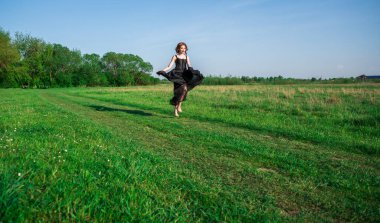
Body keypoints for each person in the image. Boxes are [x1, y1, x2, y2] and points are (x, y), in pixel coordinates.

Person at [157, 42, 201, 117]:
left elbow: (189, 65)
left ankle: (179, 106)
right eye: (181, 48)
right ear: (178, 49)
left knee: (185, 89)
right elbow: (169, 66)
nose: (183, 49)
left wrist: (193, 71)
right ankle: (175, 110)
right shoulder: (175, 56)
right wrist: (163, 71)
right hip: (176, 75)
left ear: (186, 49)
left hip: (184, 75)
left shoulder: (187, 57)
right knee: (178, 92)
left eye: (184, 48)